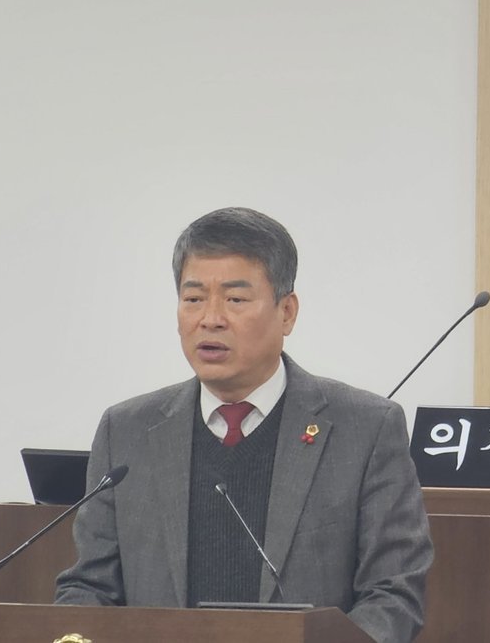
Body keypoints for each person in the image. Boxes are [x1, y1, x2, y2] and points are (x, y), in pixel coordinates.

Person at [55, 207, 433, 643]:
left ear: (287, 312)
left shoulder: (366, 429)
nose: (210, 318)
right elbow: (89, 587)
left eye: (235, 300)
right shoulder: (126, 431)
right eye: (193, 299)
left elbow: (393, 594)